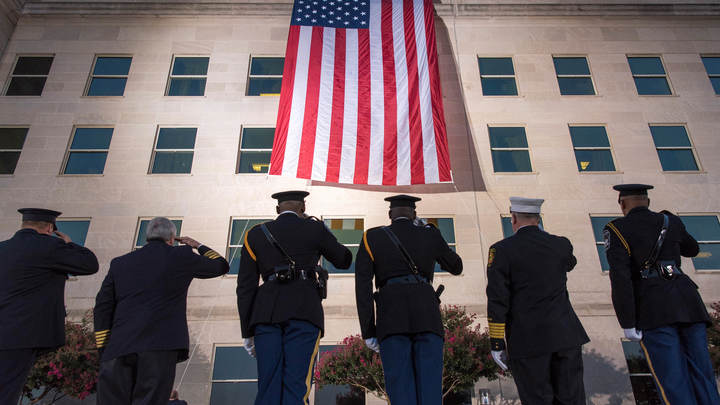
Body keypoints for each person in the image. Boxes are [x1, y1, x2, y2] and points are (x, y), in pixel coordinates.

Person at [604, 184, 720, 405]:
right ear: (647, 201)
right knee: (703, 375)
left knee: (673, 379)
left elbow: (620, 276)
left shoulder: (617, 228)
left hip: (654, 308)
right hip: (687, 302)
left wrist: (628, 321)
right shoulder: (670, 221)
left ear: (623, 204)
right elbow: (692, 249)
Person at [94, 217, 229, 405]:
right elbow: (221, 265)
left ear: (147, 236)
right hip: (159, 347)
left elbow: (102, 306)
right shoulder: (181, 256)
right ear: (172, 238)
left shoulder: (120, 263)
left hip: (118, 348)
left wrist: (103, 346)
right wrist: (198, 245)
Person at [237, 190, 352, 405]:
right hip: (304, 311)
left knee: (268, 385)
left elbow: (245, 287)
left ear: (277, 209)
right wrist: (321, 229)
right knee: (296, 386)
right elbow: (344, 259)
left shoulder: (255, 233)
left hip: (265, 315)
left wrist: (247, 330)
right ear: (303, 208)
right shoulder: (314, 228)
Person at [355, 194, 463, 404]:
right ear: (415, 214)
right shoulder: (429, 234)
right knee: (430, 388)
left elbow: (363, 287)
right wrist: (433, 233)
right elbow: (456, 266)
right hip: (427, 317)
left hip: (392, 318)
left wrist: (368, 330)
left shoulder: (371, 237)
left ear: (389, 215)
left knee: (400, 389)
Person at [486, 197, 589, 405]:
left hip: (528, 339)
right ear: (538, 218)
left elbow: (498, 299)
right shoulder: (560, 244)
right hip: (566, 335)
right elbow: (570, 263)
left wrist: (497, 342)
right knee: (572, 399)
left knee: (537, 399)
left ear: (513, 218)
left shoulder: (501, 250)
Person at [0, 208, 99, 405]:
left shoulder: (3, 248)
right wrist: (69, 244)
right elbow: (89, 264)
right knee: (6, 390)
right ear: (49, 229)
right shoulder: (48, 246)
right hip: (21, 334)